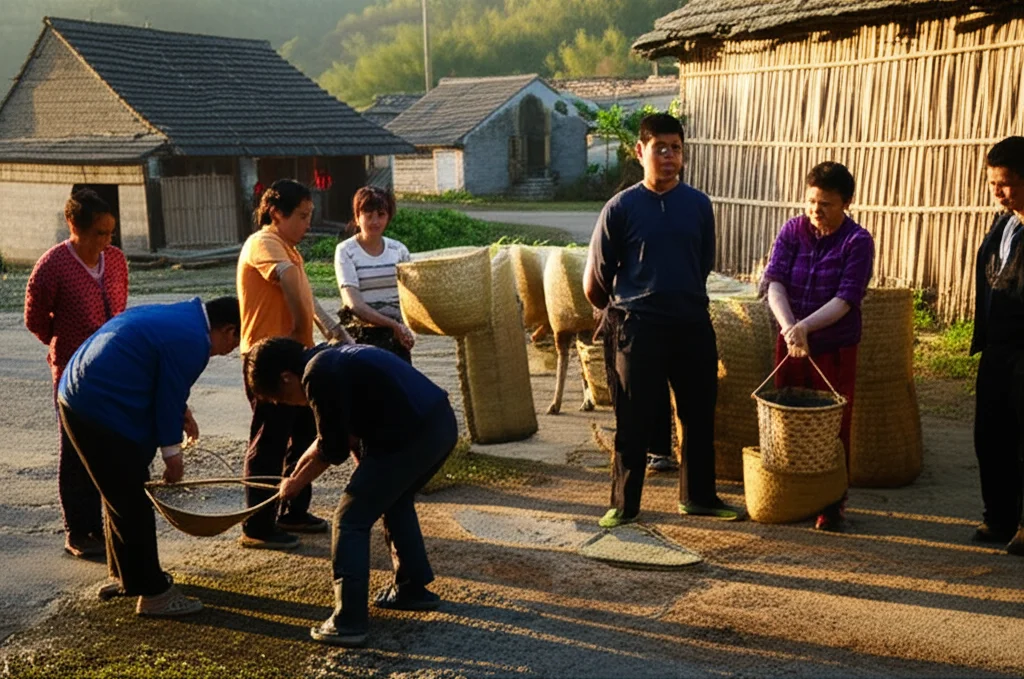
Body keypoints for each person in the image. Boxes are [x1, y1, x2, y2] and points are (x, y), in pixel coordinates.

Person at [583, 112, 743, 528]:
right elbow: (596, 279)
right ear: (641, 152)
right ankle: (624, 503)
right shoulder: (621, 208)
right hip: (639, 326)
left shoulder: (699, 205)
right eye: (660, 148)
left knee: (698, 412)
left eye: (676, 148)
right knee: (633, 417)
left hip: (691, 323)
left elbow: (703, 261)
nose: (669, 156)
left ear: (683, 154)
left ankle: (699, 497)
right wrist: (620, 313)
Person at [245, 338, 458, 647]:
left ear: (285, 378)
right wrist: (293, 474)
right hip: (438, 425)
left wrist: (295, 485)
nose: (287, 405)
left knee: (350, 518)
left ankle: (348, 621)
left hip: (412, 436)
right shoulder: (327, 357)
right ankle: (412, 589)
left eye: (280, 399)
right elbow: (327, 439)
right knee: (393, 500)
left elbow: (332, 450)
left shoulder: (317, 375)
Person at [57, 296, 241, 617]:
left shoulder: (185, 316)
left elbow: (163, 378)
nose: (230, 351)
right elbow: (168, 395)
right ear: (229, 330)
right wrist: (173, 456)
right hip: (98, 404)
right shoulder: (194, 341)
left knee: (120, 493)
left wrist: (182, 412)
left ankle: (127, 576)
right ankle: (153, 592)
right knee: (131, 499)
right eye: (234, 343)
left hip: (77, 393)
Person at [236, 179, 352, 550]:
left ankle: (292, 510)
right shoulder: (264, 242)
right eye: (301, 216)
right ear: (276, 213)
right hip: (268, 360)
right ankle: (257, 525)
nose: (307, 224)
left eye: (309, 216)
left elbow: (305, 293)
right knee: (269, 441)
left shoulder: (288, 249)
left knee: (304, 434)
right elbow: (286, 279)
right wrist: (301, 331)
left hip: (296, 356)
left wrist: (333, 331)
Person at [763, 161, 874, 532]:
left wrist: (806, 328)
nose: (815, 210)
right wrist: (790, 328)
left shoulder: (858, 241)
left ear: (847, 203)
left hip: (833, 347)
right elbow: (774, 281)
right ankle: (793, 496)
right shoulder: (793, 230)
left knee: (831, 425)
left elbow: (846, 299)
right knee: (787, 420)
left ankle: (831, 503)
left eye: (825, 204)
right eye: (811, 201)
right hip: (792, 343)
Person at [24, 188, 129, 559]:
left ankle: (104, 527)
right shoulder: (53, 265)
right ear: (74, 225)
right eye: (99, 233)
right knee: (75, 451)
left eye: (110, 233)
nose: (106, 241)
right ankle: (78, 531)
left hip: (112, 368)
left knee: (108, 446)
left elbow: (121, 307)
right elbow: (35, 319)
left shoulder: (115, 260)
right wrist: (64, 340)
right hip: (72, 371)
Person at [970, 136, 1024, 555]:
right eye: (992, 183)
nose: (997, 191)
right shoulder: (1002, 223)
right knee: (991, 434)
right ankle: (999, 515)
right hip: (997, 346)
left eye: (1004, 183)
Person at [334, 186, 415, 362]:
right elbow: (354, 304)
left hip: (395, 337)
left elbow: (410, 298)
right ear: (357, 217)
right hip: (362, 337)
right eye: (368, 215)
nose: (375, 221)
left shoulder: (399, 250)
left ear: (388, 217)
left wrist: (406, 329)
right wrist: (393, 325)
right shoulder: (346, 251)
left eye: (381, 214)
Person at [594, 308, 676, 472]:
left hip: (627, 316)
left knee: (624, 384)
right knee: (658, 375)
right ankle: (658, 449)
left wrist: (604, 308)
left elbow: (594, 287)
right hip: (670, 310)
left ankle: (630, 453)